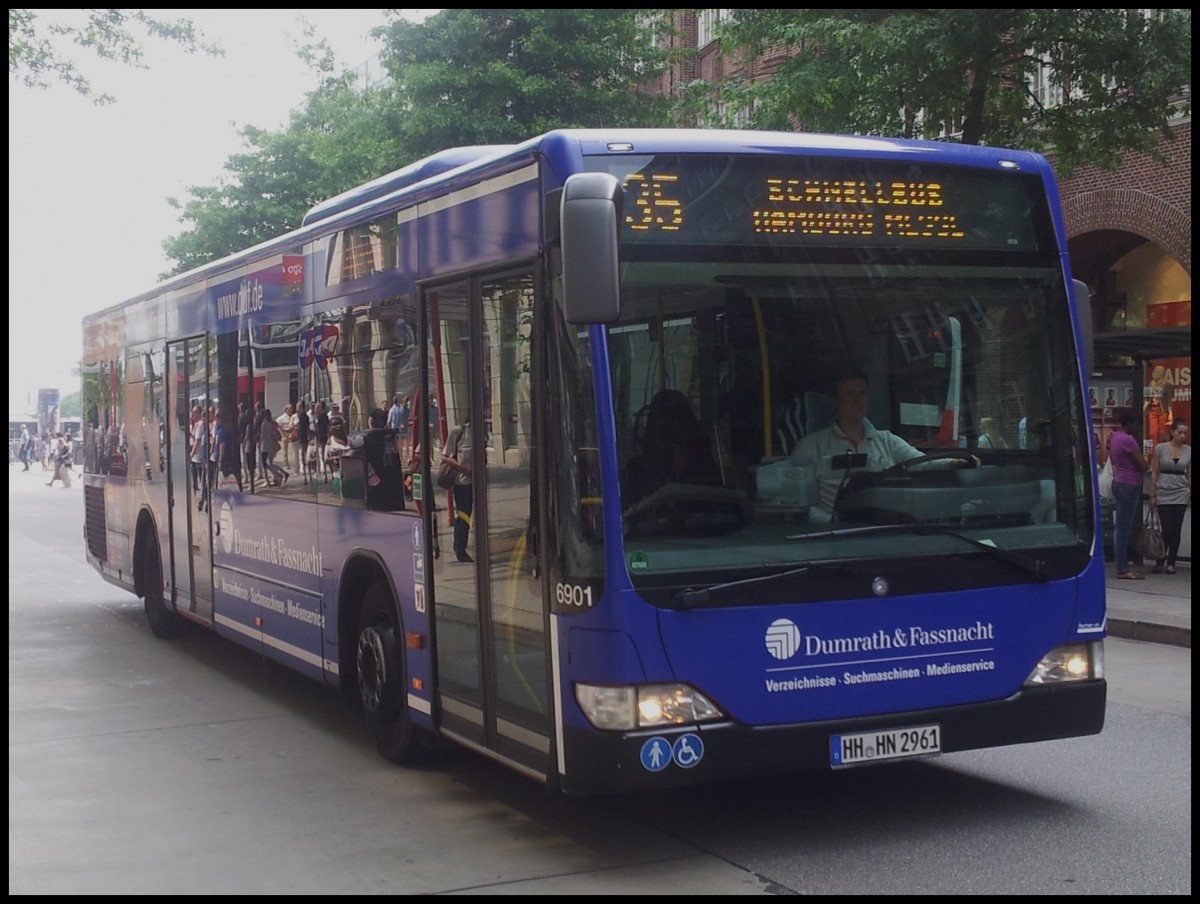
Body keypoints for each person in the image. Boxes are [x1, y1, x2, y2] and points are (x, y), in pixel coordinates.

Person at [790, 369, 935, 516]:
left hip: (887, 530)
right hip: (832, 534)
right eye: (850, 394)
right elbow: (796, 500)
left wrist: (956, 462)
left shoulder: (887, 441)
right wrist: (829, 522)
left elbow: (923, 463)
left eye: (862, 393)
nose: (857, 400)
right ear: (835, 402)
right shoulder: (810, 446)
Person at [1108, 407, 1149, 580]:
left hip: (1119, 481)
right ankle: (1123, 569)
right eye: (1137, 423)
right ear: (1130, 423)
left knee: (1121, 527)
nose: (1138, 426)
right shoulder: (1128, 440)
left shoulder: (1115, 437)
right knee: (1123, 528)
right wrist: (1139, 464)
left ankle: (1122, 566)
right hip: (1129, 484)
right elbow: (1143, 465)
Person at [1148, 419, 1191, 575]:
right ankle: (1160, 559)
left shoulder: (1189, 450)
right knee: (1167, 528)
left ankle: (1171, 562)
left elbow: (1190, 474)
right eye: (1179, 432)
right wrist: (1152, 494)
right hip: (1163, 490)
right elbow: (1154, 472)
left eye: (1185, 433)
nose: (1182, 436)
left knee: (1177, 528)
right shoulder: (1160, 448)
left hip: (1181, 491)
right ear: (1172, 432)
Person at [442, 415, 474, 562]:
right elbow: (445, 457)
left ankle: (461, 545)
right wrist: (462, 467)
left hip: (474, 482)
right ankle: (459, 547)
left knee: (467, 514)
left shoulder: (480, 433)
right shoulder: (459, 431)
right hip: (461, 482)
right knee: (463, 514)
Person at [259, 408, 288, 487]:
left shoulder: (264, 424)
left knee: (265, 464)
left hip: (265, 445)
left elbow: (263, 436)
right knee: (268, 463)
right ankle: (280, 475)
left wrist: (260, 443)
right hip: (271, 445)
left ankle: (278, 475)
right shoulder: (271, 423)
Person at [277, 404, 295, 474]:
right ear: (286, 410)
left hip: (292, 434)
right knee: (285, 450)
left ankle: (294, 463)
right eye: (290, 409)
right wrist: (282, 435)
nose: (291, 410)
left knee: (293, 449)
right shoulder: (281, 418)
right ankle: (286, 464)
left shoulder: (293, 416)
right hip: (285, 434)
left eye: (292, 408)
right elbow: (278, 426)